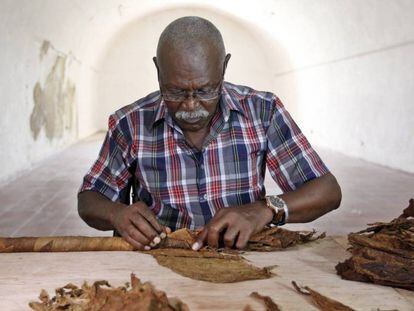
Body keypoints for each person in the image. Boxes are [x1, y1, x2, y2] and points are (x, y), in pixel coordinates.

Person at [78, 16, 342, 252]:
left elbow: (327, 190)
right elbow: (90, 198)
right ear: (158, 70)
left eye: (205, 91)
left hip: (243, 255)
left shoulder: (263, 111)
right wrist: (117, 214)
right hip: (160, 259)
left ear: (224, 68)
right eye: (176, 92)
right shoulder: (130, 123)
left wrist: (265, 209)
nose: (190, 106)